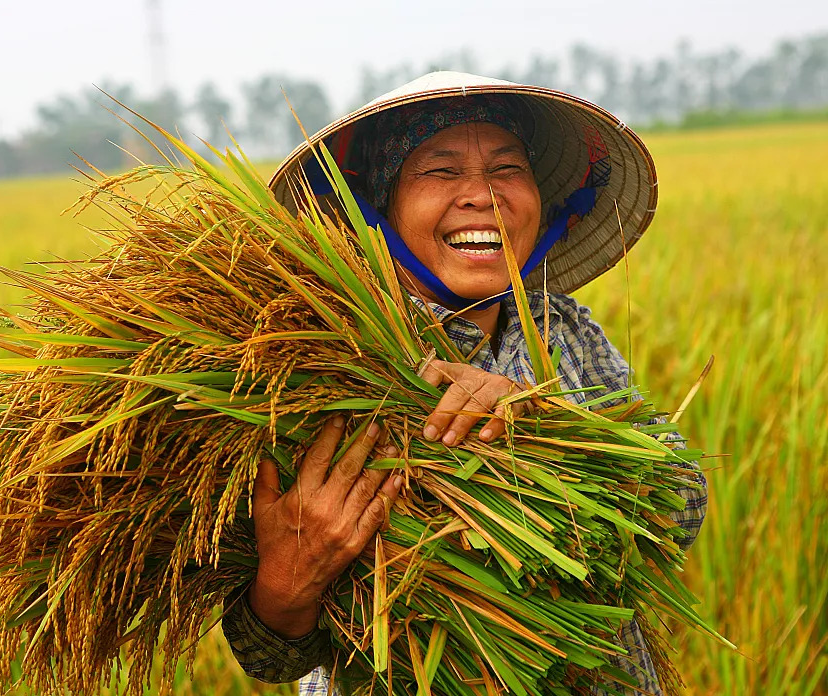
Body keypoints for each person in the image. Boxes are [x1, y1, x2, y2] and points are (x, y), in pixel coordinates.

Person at [221, 71, 708, 696]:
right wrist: (288, 584)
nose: (483, 195)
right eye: (440, 171)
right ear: (379, 208)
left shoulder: (565, 330)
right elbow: (268, 655)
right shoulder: (320, 362)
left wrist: (541, 421)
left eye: (507, 168)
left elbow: (680, 505)